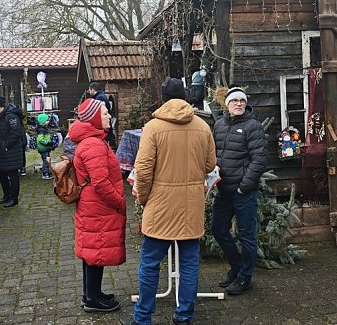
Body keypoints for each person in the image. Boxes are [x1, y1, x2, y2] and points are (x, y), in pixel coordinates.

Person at [121, 78, 216, 325]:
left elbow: (142, 170)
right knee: (189, 262)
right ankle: (184, 315)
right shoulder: (203, 126)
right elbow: (209, 165)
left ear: (162, 98)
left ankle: (142, 317)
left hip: (160, 204)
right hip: (191, 205)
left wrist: (143, 199)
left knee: (151, 263)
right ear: (185, 96)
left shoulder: (152, 127)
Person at [67, 98, 125, 313]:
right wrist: (119, 201)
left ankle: (91, 294)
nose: (109, 116)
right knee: (95, 253)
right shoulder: (93, 144)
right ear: (93, 118)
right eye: (104, 113)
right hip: (98, 207)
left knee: (92, 253)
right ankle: (92, 299)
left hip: (93, 206)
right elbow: (101, 183)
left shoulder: (92, 140)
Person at [211, 85, 267, 295]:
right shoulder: (219, 126)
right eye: (234, 101)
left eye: (242, 101)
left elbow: (259, 159)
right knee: (218, 229)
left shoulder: (253, 126)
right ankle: (236, 268)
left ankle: (245, 278)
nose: (239, 104)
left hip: (244, 192)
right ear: (227, 105)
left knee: (247, 236)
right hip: (224, 190)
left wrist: (245, 186)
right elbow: (214, 154)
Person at [0, 96, 25, 207]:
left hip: (10, 152)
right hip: (0, 152)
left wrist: (5, 146)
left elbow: (15, 133)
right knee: (2, 174)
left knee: (13, 176)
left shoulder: (11, 116)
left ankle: (14, 198)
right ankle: (7, 195)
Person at [86, 82, 116, 147]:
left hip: (103, 125)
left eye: (89, 90)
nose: (89, 92)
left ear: (93, 90)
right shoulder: (101, 96)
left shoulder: (100, 98)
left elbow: (98, 113)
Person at [35, 113, 54, 180]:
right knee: (45, 161)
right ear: (43, 122)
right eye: (47, 120)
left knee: (47, 160)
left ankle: (47, 172)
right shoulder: (42, 130)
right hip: (43, 148)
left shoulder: (43, 129)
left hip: (45, 148)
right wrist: (48, 143)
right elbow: (40, 139)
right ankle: (45, 174)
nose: (48, 121)